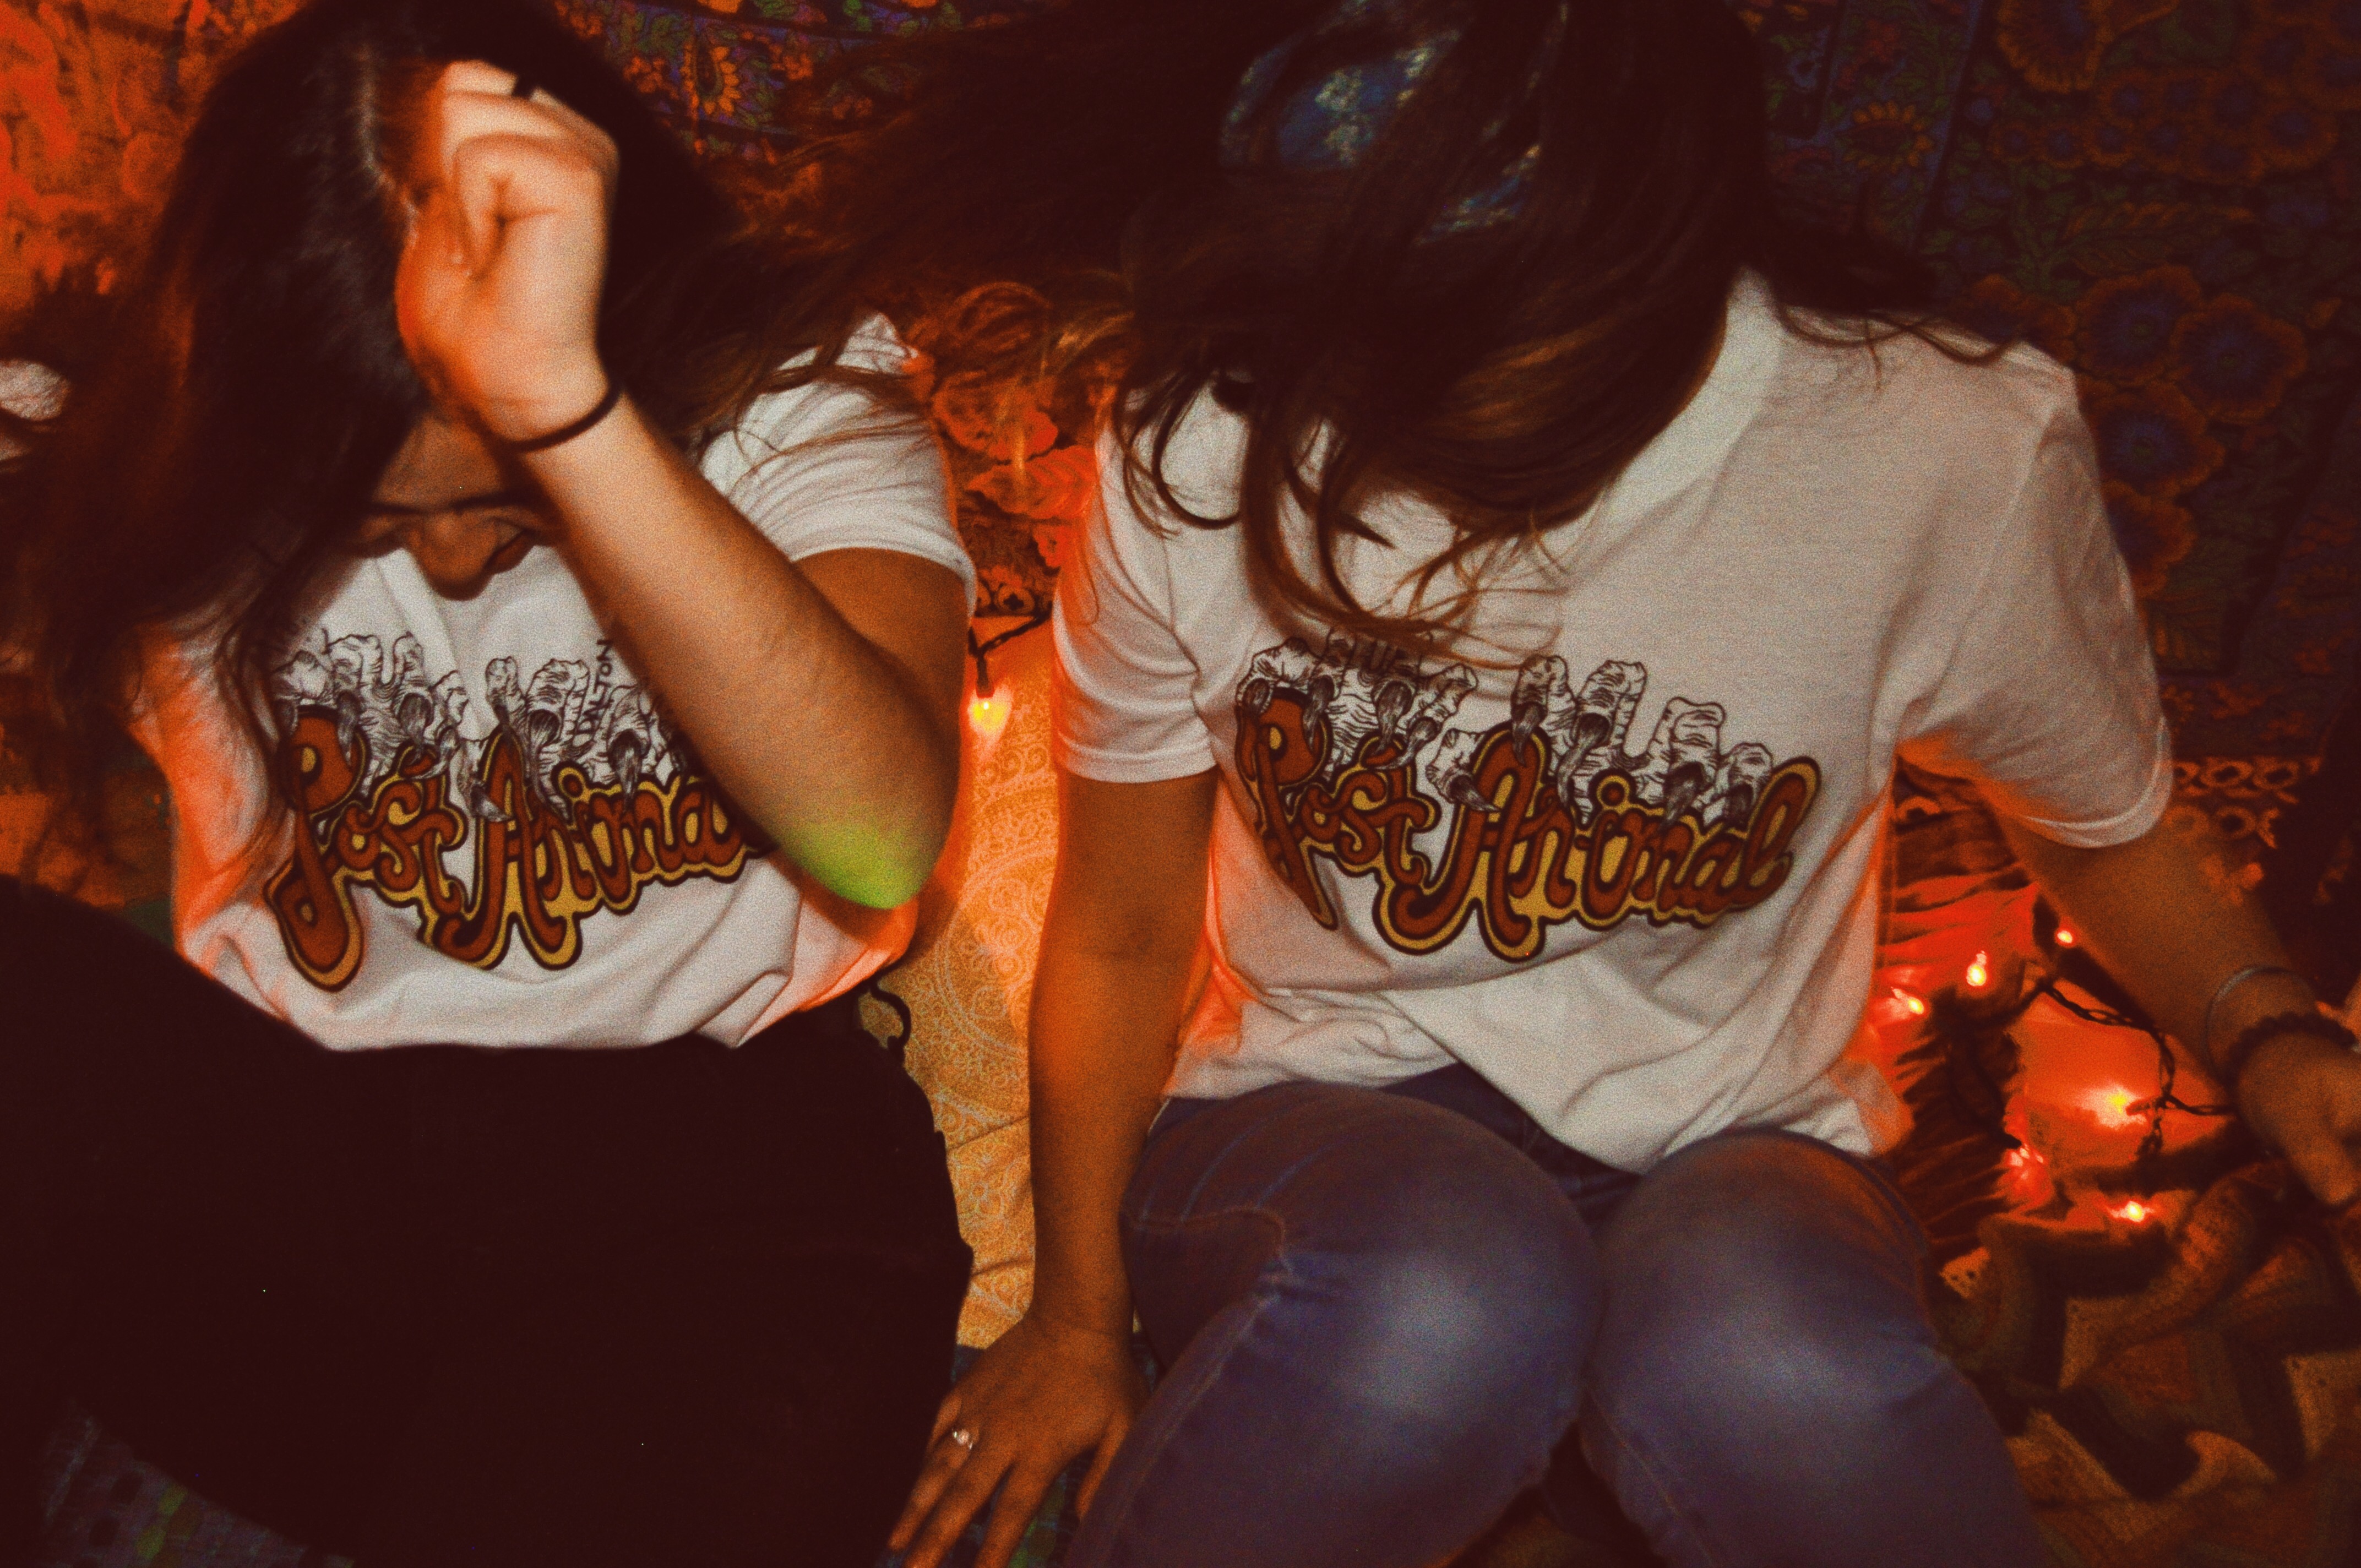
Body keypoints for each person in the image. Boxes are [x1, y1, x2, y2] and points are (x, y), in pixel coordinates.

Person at [872, 2, 2361, 1566]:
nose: (1397, 412)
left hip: (1739, 1141)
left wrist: (2265, 1033)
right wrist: (1077, 1321)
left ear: (1660, 265)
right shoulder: (1196, 439)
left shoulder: (1941, 445)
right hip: (1318, 1127)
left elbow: (2102, 822)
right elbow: (1121, 926)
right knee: (1444, 1295)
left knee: (1767, 1355)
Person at [0, 2, 976, 1565]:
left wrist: (567, 420)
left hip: (716, 1200)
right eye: (380, 523)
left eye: (504, 506)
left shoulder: (791, 388)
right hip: (304, 1179)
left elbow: (885, 837)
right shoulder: (160, 433)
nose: (453, 562)